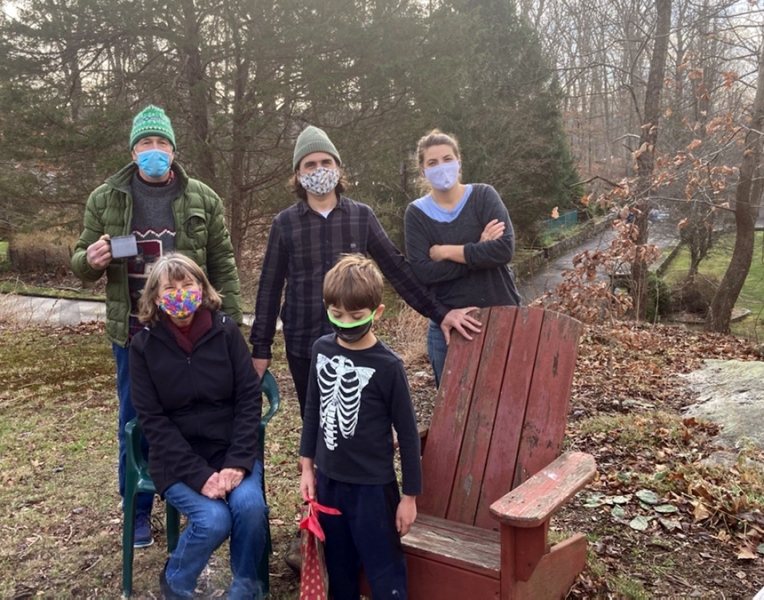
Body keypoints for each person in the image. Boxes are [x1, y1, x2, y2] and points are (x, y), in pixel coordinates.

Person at [70, 105, 242, 547]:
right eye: (146, 144)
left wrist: (232, 323)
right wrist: (89, 260)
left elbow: (222, 264)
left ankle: (192, 500)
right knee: (137, 421)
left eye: (161, 143)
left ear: (174, 149)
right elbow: (79, 260)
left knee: (195, 415)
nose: (154, 151)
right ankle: (139, 512)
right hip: (134, 334)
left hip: (194, 332)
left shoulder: (202, 197)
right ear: (133, 151)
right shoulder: (105, 198)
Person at [250, 124, 480, 416]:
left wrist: (441, 312)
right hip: (303, 344)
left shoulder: (361, 216)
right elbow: (269, 288)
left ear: (338, 168)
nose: (319, 169)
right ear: (298, 174)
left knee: (360, 420)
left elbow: (398, 270)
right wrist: (261, 349)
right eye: (310, 164)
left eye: (326, 162)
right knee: (317, 423)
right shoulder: (284, 223)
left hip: (356, 338)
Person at [129, 254, 267, 599]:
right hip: (177, 461)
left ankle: (244, 589)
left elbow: (249, 396)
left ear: (202, 289)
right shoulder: (143, 346)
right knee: (213, 520)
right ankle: (176, 582)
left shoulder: (225, 331)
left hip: (230, 451)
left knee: (250, 509)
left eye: (188, 285)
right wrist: (198, 475)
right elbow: (152, 420)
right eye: (170, 288)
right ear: (156, 298)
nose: (180, 293)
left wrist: (237, 462)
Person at [299, 254, 421, 600]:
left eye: (356, 316)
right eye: (336, 315)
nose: (346, 323)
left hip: (373, 488)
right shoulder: (321, 349)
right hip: (329, 481)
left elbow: (409, 435)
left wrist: (409, 497)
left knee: (385, 571)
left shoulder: (389, 367)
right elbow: (314, 409)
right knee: (338, 568)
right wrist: (307, 466)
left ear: (377, 313)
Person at [404, 129, 521, 387]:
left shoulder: (483, 196)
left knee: (507, 403)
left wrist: (446, 252)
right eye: (432, 163)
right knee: (454, 415)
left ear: (459, 161)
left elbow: (503, 250)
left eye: (447, 159)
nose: (441, 167)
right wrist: (478, 251)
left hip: (502, 317)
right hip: (449, 327)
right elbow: (423, 272)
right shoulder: (416, 214)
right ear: (422, 170)